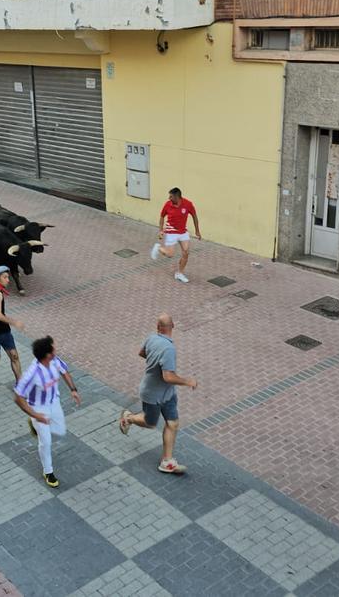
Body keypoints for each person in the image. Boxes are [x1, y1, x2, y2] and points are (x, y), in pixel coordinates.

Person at [118, 313, 198, 474]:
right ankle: (128, 418)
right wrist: (187, 381)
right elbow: (168, 377)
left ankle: (167, 461)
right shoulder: (169, 348)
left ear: (158, 327)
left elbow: (142, 353)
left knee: (173, 423)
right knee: (150, 423)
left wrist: (154, 361)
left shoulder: (151, 338)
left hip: (167, 394)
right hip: (153, 395)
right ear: (173, 326)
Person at [13, 336, 80, 488]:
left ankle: (35, 425)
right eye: (53, 348)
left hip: (54, 401)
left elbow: (65, 371)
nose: (56, 350)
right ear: (47, 355)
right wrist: (36, 415)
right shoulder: (32, 374)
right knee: (46, 442)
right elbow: (18, 398)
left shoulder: (55, 361)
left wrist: (73, 390)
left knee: (60, 430)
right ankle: (48, 471)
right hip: (38, 409)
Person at [150, 187, 201, 283]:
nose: (169, 198)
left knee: (186, 252)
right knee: (170, 254)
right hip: (171, 231)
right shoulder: (167, 205)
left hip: (183, 232)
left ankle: (179, 274)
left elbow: (194, 216)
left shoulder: (188, 204)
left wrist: (197, 231)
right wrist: (161, 230)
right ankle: (158, 248)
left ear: (177, 197)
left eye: (171, 196)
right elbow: (162, 216)